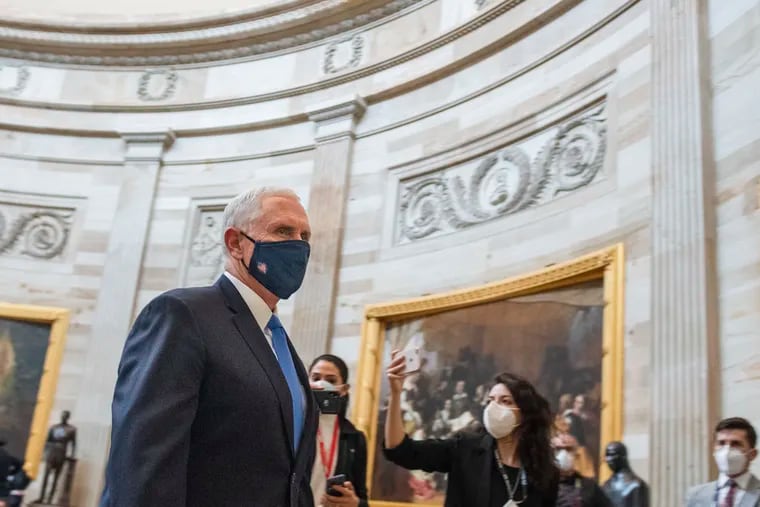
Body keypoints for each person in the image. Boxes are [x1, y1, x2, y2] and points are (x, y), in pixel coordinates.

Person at [100, 187, 318, 507]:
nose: (298, 244)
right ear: (235, 243)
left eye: (305, 235)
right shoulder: (183, 314)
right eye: (283, 230)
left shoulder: (278, 341)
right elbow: (142, 467)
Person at [383, 351, 559, 507]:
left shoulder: (545, 473)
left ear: (525, 413)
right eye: (491, 400)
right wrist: (396, 394)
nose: (494, 407)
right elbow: (401, 450)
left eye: (505, 401)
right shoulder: (465, 449)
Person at [308, 354, 368, 507]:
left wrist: (355, 503)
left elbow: (362, 498)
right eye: (315, 378)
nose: (321, 384)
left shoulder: (354, 438)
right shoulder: (293, 427)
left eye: (331, 380)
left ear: (344, 389)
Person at [686, 417, 760, 507]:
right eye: (721, 443)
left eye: (735, 444)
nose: (727, 450)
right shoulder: (695, 495)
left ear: (752, 454)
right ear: (714, 450)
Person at [552, 432, 611, 507]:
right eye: (558, 449)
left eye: (568, 449)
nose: (563, 453)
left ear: (576, 454)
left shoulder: (588, 486)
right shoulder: (543, 486)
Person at [602, 441, 649, 507]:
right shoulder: (605, 486)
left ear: (623, 456)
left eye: (612, 455)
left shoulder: (636, 486)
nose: (608, 459)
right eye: (607, 455)